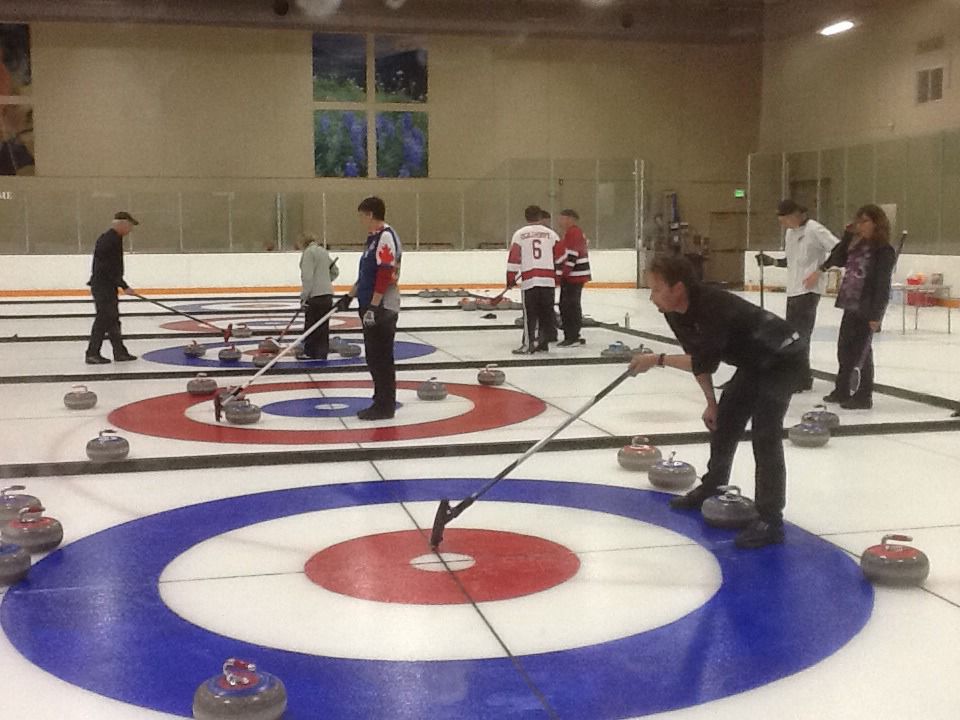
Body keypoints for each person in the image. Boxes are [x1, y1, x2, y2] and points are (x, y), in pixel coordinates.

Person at [628, 254, 805, 549]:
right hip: (754, 360)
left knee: (765, 433)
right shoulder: (673, 311)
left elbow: (704, 360)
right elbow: (698, 361)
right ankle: (713, 484)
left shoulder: (712, 306)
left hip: (784, 357)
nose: (651, 298)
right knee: (725, 419)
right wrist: (712, 403)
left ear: (678, 288)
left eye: (657, 289)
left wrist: (656, 359)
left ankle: (770, 519)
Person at [756, 199, 839, 392]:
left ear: (795, 214)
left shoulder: (814, 229)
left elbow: (838, 250)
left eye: (784, 219)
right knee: (792, 334)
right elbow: (792, 261)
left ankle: (801, 378)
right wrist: (773, 262)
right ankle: (800, 375)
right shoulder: (790, 233)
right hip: (793, 291)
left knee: (800, 334)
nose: (782, 223)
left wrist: (819, 271)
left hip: (808, 291)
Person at [819, 204, 896, 410]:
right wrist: (846, 236)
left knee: (861, 353)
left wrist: (877, 314)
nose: (860, 225)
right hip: (850, 303)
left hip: (867, 306)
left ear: (876, 223)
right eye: (859, 221)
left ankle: (863, 395)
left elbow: (882, 285)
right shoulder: (856, 244)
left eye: (865, 221)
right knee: (844, 349)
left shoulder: (884, 251)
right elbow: (836, 259)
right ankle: (842, 389)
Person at [338, 196, 402, 420]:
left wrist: (373, 306)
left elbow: (384, 274)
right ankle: (380, 399)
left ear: (370, 215)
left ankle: (385, 405)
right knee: (373, 357)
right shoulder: (373, 239)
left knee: (381, 356)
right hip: (370, 305)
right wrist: (349, 296)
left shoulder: (385, 237)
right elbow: (366, 275)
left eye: (362, 216)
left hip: (382, 308)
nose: (361, 221)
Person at [85, 212, 139, 364]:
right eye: (129, 226)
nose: (130, 230)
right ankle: (92, 353)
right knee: (103, 319)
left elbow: (111, 268)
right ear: (121, 224)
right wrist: (124, 286)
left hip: (107, 285)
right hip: (103, 286)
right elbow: (107, 267)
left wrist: (120, 284)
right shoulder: (109, 240)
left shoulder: (114, 238)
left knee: (112, 319)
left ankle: (119, 352)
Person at [507, 205, 561, 354]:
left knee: (530, 315)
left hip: (530, 281)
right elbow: (560, 257)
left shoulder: (519, 234)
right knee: (546, 312)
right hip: (548, 281)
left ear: (526, 217)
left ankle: (527, 344)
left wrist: (510, 278)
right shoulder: (552, 234)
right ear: (540, 216)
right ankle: (543, 343)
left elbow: (514, 258)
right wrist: (558, 277)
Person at [298, 232, 339, 360]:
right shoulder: (323, 251)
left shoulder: (308, 253)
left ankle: (310, 352)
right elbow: (335, 271)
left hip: (314, 296)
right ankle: (322, 352)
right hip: (327, 295)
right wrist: (325, 282)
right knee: (323, 326)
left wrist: (304, 296)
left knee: (311, 325)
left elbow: (307, 276)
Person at [555, 208, 591, 346]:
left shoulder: (573, 232)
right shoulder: (573, 232)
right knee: (570, 304)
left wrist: (563, 274)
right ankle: (573, 334)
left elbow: (572, 255)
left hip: (574, 276)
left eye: (562, 218)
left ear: (570, 219)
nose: (560, 221)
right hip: (576, 275)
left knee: (568, 305)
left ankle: (572, 336)